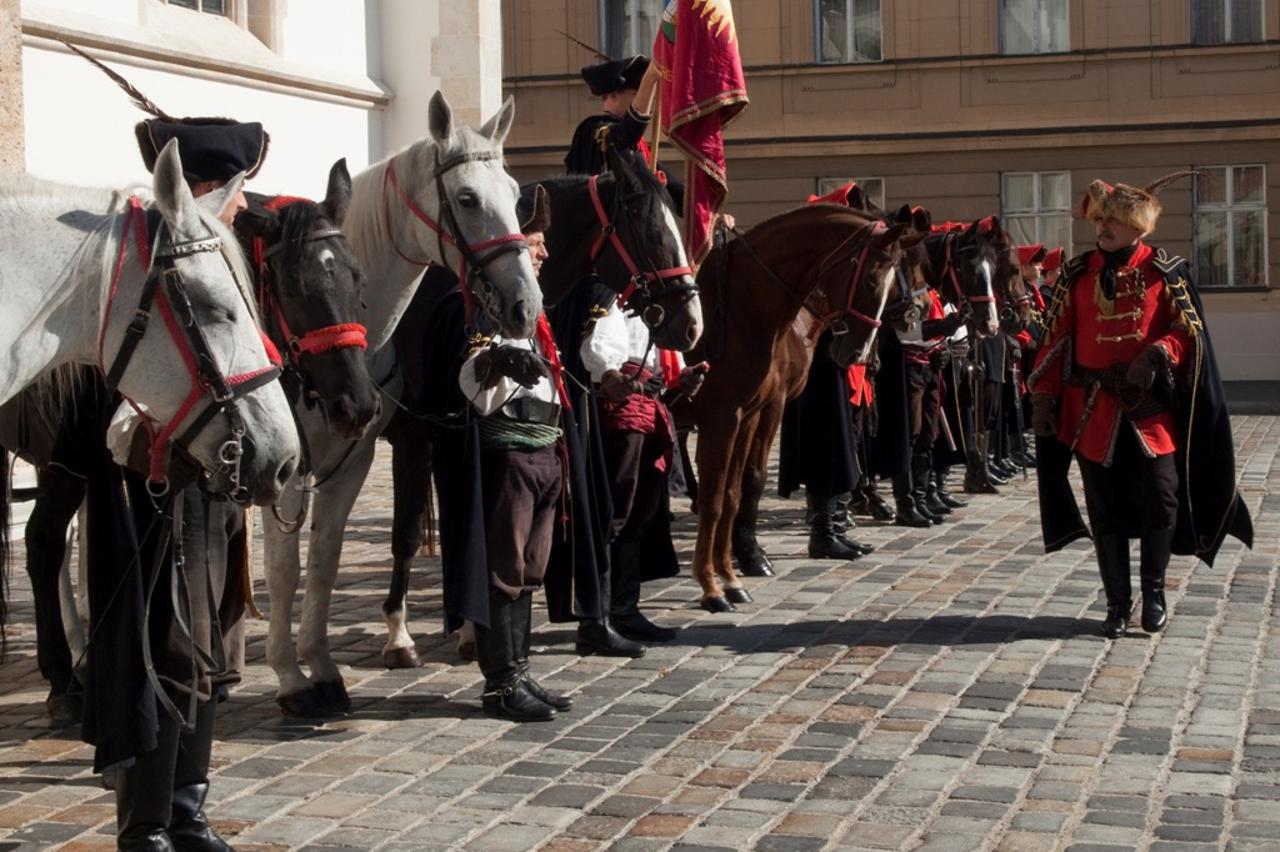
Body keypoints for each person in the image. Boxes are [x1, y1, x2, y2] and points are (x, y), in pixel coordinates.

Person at [83, 111, 268, 852]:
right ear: (206, 189)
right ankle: (147, 825)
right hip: (154, 494)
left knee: (209, 650)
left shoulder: (218, 263)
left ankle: (188, 810)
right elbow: (120, 401)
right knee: (162, 652)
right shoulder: (144, 274)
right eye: (237, 190)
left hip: (213, 491)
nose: (245, 205)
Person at [1030, 175, 1253, 638]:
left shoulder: (1165, 272)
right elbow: (1056, 339)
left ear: (1138, 227)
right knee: (1105, 507)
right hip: (1094, 410)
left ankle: (1154, 594)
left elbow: (1188, 333)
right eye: (1101, 219)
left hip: (1150, 410)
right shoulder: (1077, 274)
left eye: (1113, 220)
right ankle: (1117, 603)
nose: (1103, 227)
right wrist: (1044, 398)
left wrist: (1158, 352)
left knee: (1162, 496)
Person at [580, 300, 705, 642]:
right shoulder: (613, 298)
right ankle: (596, 618)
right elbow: (597, 348)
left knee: (641, 510)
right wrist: (609, 373)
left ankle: (625, 609)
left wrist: (683, 379)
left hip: (651, 404)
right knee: (616, 509)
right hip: (621, 408)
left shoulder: (658, 304)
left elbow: (662, 361)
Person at [565, 55, 684, 210]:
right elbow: (626, 134)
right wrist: (649, 80)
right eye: (636, 94)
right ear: (614, 95)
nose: (647, 102)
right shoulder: (593, 128)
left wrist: (704, 207)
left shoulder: (639, 145)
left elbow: (674, 189)